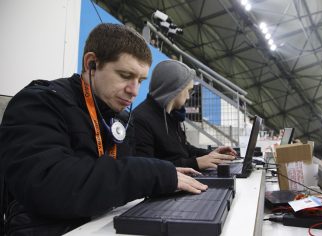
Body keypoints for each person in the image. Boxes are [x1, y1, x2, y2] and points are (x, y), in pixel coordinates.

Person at [0, 23, 207, 236]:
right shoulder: (38, 103)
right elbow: (50, 185)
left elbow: (123, 170)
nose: (134, 91)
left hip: (106, 224)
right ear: (91, 64)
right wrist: (151, 174)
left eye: (140, 80)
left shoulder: (121, 117)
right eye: (125, 75)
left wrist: (165, 173)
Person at [133, 60, 236, 170]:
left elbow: (183, 149)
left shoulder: (171, 115)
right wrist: (194, 163)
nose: (188, 97)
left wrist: (210, 154)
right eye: (189, 90)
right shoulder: (141, 119)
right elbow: (146, 169)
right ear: (174, 89)